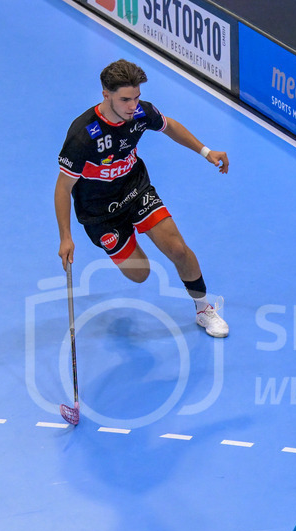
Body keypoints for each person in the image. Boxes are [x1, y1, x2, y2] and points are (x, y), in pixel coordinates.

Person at [55, 59, 230, 337]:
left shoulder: (139, 113)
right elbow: (63, 188)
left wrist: (206, 151)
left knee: (177, 249)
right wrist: (65, 237)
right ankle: (125, 238)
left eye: (136, 97)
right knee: (140, 274)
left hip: (135, 190)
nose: (132, 106)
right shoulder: (83, 136)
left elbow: (169, 126)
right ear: (106, 95)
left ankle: (203, 309)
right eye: (125, 99)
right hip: (100, 213)